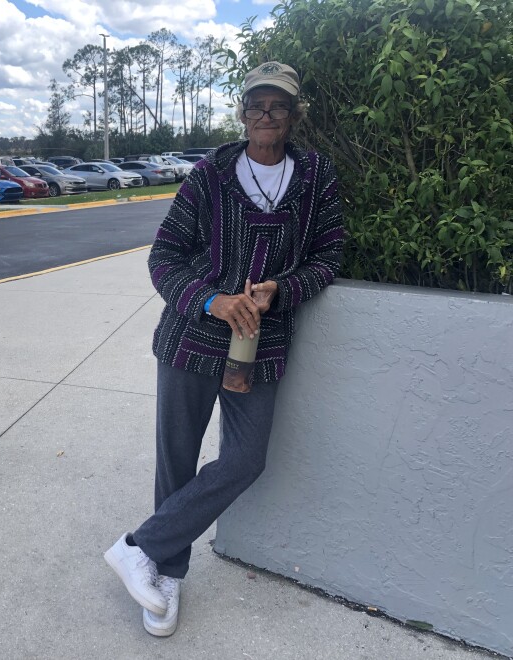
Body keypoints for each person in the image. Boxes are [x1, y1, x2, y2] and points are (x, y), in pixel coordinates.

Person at [103, 61, 345, 637]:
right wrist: (213, 302)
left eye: (279, 106)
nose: (267, 115)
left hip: (262, 347)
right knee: (177, 459)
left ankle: (139, 548)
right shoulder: (210, 174)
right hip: (191, 337)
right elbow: (163, 259)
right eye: (258, 104)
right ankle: (166, 574)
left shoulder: (316, 178)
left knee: (245, 459)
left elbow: (330, 257)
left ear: (293, 115)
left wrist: (282, 290)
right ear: (242, 112)